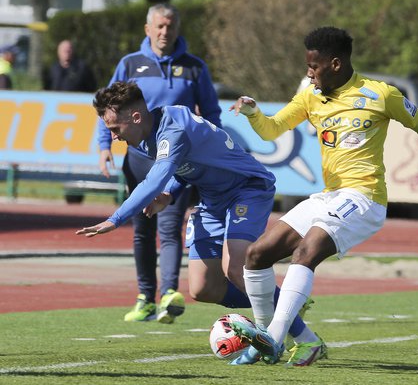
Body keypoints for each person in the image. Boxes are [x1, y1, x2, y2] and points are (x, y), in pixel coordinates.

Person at [227, 26, 418, 366]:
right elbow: (272, 129)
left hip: (365, 199)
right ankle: (287, 339)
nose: (308, 73)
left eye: (314, 66)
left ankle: (274, 339)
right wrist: (252, 112)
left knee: (306, 252)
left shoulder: (381, 94)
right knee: (257, 255)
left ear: (335, 64)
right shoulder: (310, 95)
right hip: (329, 196)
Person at [79, 81, 318, 363]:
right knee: (203, 288)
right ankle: (285, 304)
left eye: (115, 129)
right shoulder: (149, 134)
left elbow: (154, 179)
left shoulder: (172, 130)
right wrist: (169, 193)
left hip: (247, 189)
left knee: (236, 267)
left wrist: (116, 218)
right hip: (211, 199)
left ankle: (306, 340)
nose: (114, 136)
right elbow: (185, 167)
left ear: (135, 117)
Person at [97, 3, 221, 323]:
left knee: (169, 225)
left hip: (177, 160)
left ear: (177, 29)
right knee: (142, 229)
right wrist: (103, 145)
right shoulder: (130, 64)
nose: (165, 32)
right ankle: (145, 297)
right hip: (138, 159)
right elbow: (109, 108)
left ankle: (168, 294)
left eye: (170, 27)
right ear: (148, 29)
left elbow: (211, 113)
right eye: (160, 27)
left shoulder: (194, 68)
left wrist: (208, 148)